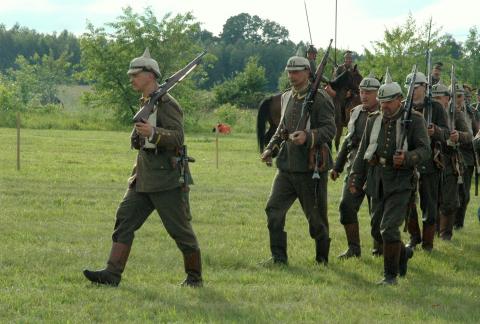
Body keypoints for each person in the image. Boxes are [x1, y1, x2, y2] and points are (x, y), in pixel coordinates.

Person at [83, 49, 203, 287]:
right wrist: (139, 136)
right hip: (142, 177)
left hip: (166, 180)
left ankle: (194, 278)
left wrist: (154, 133)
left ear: (150, 75)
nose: (131, 79)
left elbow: (178, 138)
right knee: (124, 219)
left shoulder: (168, 104)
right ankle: (112, 274)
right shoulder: (146, 103)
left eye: (135, 74)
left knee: (180, 231)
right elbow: (139, 140)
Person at [349, 69, 431, 285]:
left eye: (388, 102)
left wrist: (407, 158)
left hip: (401, 182)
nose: (384, 106)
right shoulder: (373, 119)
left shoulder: (415, 119)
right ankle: (403, 254)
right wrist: (356, 178)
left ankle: (390, 276)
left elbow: (425, 151)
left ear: (399, 100)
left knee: (389, 228)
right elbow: (362, 152)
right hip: (377, 180)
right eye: (382, 101)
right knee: (377, 229)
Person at [260, 55, 336, 265]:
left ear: (307, 72)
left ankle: (322, 260)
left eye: (296, 72)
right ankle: (278, 258)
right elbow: (281, 129)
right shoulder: (286, 97)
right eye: (289, 72)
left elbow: (331, 129)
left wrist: (308, 136)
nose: (292, 76)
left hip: (310, 167)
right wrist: (270, 149)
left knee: (316, 218)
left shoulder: (321, 98)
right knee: (273, 210)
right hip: (286, 167)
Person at [330, 73, 380, 259]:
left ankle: (380, 249)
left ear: (378, 93)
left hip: (377, 170)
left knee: (377, 215)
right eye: (362, 91)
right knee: (346, 207)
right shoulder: (356, 111)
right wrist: (337, 165)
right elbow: (348, 140)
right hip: (354, 169)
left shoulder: (385, 114)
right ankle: (354, 248)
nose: (364, 95)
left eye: (369, 92)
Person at [404, 71, 449, 252]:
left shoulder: (436, 108)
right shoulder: (402, 107)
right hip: (408, 162)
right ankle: (414, 237)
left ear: (424, 87)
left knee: (429, 204)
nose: (413, 90)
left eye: (416, 86)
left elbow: (446, 133)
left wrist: (435, 131)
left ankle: (428, 243)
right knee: (408, 202)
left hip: (430, 162)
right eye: (410, 87)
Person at [438, 83, 472, 240]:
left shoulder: (455, 113)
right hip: (431, 159)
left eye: (440, 97)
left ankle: (446, 234)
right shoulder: (427, 111)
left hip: (450, 160)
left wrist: (458, 135)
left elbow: (468, 135)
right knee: (432, 199)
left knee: (450, 200)